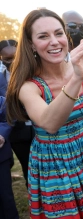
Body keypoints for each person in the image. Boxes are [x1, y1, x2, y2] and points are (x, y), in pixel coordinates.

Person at [5, 8, 83, 218]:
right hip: (53, 162)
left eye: (58, 33)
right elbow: (49, 123)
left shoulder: (78, 67)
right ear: (31, 44)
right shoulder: (29, 87)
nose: (54, 41)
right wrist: (76, 78)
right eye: (43, 36)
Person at [0, 39, 35, 188]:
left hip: (39, 127)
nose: (12, 61)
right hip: (17, 132)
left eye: (15, 56)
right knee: (28, 168)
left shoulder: (33, 71)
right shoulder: (1, 79)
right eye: (7, 58)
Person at [0, 96, 18, 219]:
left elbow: (9, 115)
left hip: (0, 158)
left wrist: (1, 134)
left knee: (4, 197)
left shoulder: (1, 101)